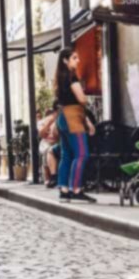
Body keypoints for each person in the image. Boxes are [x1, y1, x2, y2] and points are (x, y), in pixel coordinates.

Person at [54, 48, 96, 203]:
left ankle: (64, 190)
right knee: (82, 154)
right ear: (65, 60)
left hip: (63, 117)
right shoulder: (72, 77)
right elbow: (81, 100)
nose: (78, 60)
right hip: (72, 117)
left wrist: (88, 121)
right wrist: (86, 98)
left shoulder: (60, 77)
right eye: (74, 58)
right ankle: (76, 189)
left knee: (67, 155)